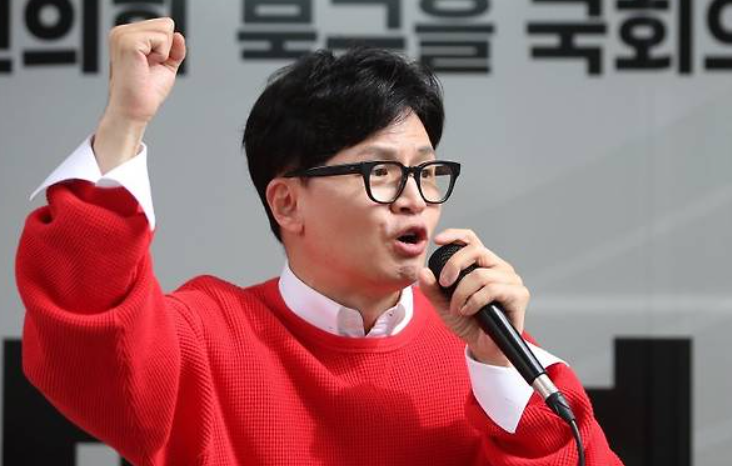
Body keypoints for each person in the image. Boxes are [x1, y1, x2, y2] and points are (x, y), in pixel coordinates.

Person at [15, 17, 622, 466]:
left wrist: (502, 369)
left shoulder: (490, 353)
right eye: (381, 172)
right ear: (287, 202)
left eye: (427, 171)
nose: (414, 197)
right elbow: (89, 327)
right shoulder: (206, 336)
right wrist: (124, 123)